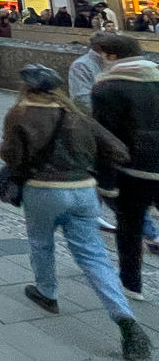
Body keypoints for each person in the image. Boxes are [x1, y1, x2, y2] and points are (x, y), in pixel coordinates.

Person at [2, 64, 151, 361]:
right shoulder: (77, 114)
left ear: (27, 88)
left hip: (42, 189)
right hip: (83, 190)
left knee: (41, 243)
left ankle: (47, 293)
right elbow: (119, 150)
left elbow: (11, 156)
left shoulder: (19, 114)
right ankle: (124, 318)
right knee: (93, 255)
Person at [93, 41, 159, 303]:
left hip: (134, 170)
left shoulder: (107, 88)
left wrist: (106, 183)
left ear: (112, 56)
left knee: (130, 227)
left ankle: (131, 284)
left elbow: (106, 140)